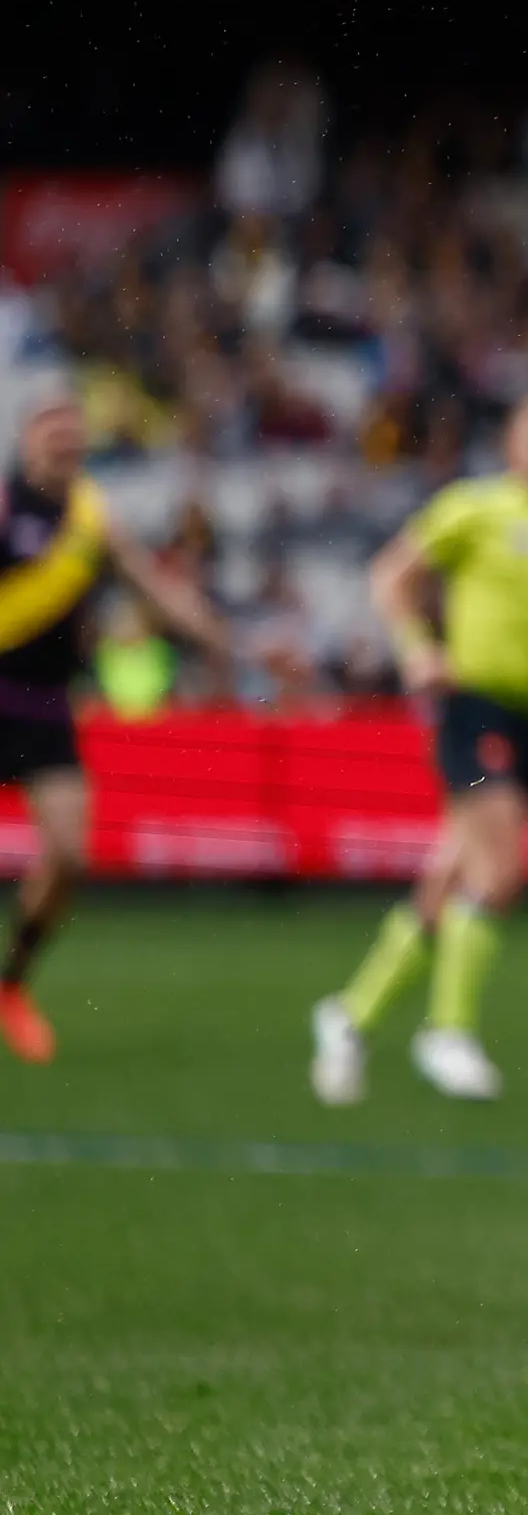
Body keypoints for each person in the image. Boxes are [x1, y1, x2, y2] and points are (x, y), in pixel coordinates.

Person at [312, 394, 528, 1106]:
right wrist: (417, 648)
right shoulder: (475, 509)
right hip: (475, 705)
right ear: (513, 444)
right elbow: (391, 575)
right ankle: (446, 1032)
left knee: (449, 881)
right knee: (501, 870)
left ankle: (349, 1017)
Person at [0, 392, 237, 1064]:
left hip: (44, 703)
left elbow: (150, 587)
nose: (65, 442)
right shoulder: (5, 505)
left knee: (71, 854)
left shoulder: (92, 518)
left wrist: (218, 638)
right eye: (52, 430)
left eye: (74, 433)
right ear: (27, 438)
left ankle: (12, 985)